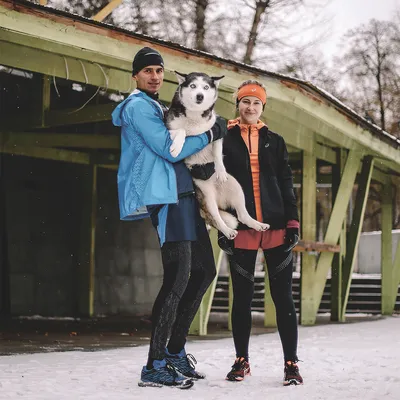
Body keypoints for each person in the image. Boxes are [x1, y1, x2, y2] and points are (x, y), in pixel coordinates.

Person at [112, 47, 227, 389]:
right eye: (147, 71)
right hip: (166, 199)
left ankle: (175, 351)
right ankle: (154, 364)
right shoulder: (137, 107)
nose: (155, 76)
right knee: (177, 277)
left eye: (159, 71)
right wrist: (210, 133)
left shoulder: (159, 107)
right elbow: (167, 148)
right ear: (135, 75)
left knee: (204, 270)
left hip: (186, 196)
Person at [219, 80, 303, 386]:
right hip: (241, 228)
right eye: (245, 102)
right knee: (241, 298)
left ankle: (291, 363)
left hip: (276, 227)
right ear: (238, 105)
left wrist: (293, 222)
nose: (250, 107)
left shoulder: (275, 141)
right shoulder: (224, 140)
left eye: (256, 103)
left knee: (283, 298)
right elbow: (219, 185)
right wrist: (222, 224)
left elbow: (285, 182)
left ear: (262, 107)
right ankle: (242, 360)